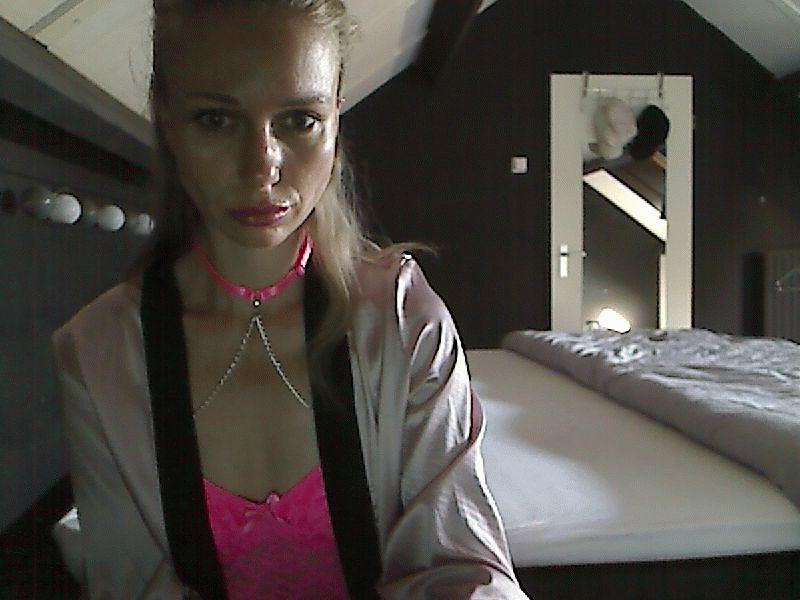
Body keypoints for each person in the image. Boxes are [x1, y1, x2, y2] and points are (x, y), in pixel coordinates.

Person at [50, 1, 528, 598]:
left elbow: (466, 572)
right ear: (166, 120)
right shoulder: (96, 353)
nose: (262, 168)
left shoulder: (404, 322)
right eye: (216, 120)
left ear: (335, 119)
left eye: (299, 120)